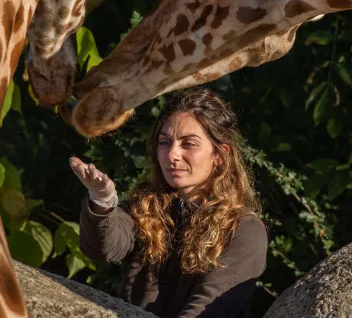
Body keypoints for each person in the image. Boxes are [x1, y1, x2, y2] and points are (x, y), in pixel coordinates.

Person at [69, 87, 268, 318]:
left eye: (188, 144)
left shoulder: (244, 229)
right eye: (164, 142)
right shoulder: (145, 206)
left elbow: (212, 309)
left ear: (219, 155)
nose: (172, 154)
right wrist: (102, 200)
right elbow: (103, 249)